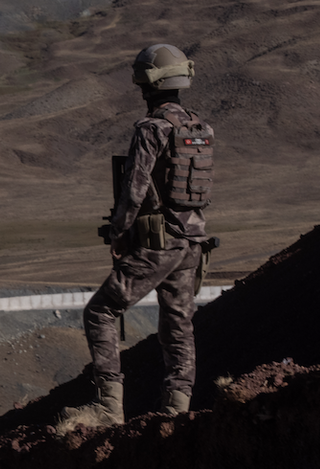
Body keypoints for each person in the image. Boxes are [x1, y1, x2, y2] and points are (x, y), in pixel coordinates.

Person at [66, 43, 214, 427]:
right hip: (193, 244)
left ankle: (108, 407)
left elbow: (135, 188)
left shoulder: (152, 128)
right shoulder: (198, 127)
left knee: (100, 311)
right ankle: (176, 411)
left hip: (159, 243)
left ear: (146, 82)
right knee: (178, 323)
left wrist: (119, 231)